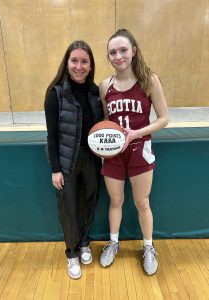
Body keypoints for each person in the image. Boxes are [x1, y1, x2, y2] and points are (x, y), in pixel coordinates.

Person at [99, 29, 168, 275]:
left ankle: (148, 247)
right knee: (116, 200)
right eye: (112, 52)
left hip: (140, 148)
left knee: (142, 202)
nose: (118, 56)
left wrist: (136, 134)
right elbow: (106, 121)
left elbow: (164, 118)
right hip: (114, 153)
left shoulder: (149, 80)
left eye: (123, 50)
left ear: (134, 51)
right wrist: (103, 145)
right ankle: (114, 242)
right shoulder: (105, 85)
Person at [44, 40, 103, 279]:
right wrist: (55, 170)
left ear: (90, 65)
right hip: (67, 162)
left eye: (84, 61)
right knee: (68, 209)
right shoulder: (55, 94)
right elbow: (51, 135)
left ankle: (85, 242)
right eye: (74, 60)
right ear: (67, 64)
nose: (79, 66)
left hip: (91, 159)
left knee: (89, 201)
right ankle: (72, 253)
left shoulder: (95, 92)